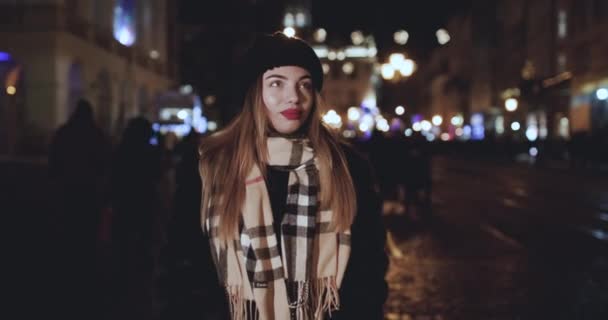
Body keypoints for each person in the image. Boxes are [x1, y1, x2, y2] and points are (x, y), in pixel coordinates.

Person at [197, 32, 388, 320]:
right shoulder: (211, 166)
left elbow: (368, 274)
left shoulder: (348, 167)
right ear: (254, 93)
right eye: (277, 83)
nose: (294, 97)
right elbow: (186, 274)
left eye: (305, 85)